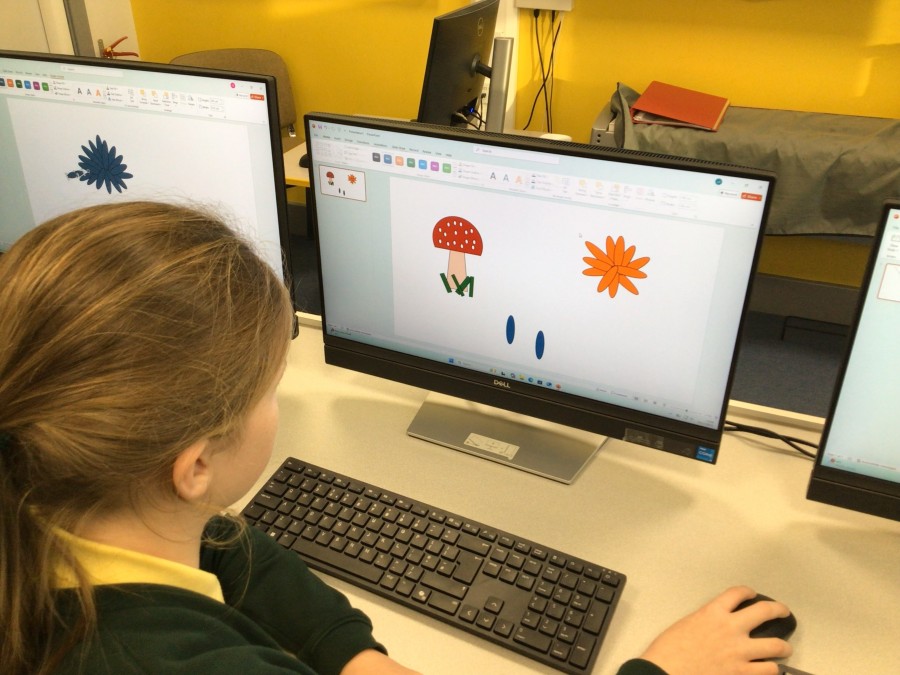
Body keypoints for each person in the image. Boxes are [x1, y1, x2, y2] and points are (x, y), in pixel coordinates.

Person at [0, 201, 793, 675]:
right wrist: (664, 668)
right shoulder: (155, 658)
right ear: (196, 464)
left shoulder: (44, 487)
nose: (279, 402)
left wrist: (353, 653)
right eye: (270, 388)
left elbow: (223, 542)